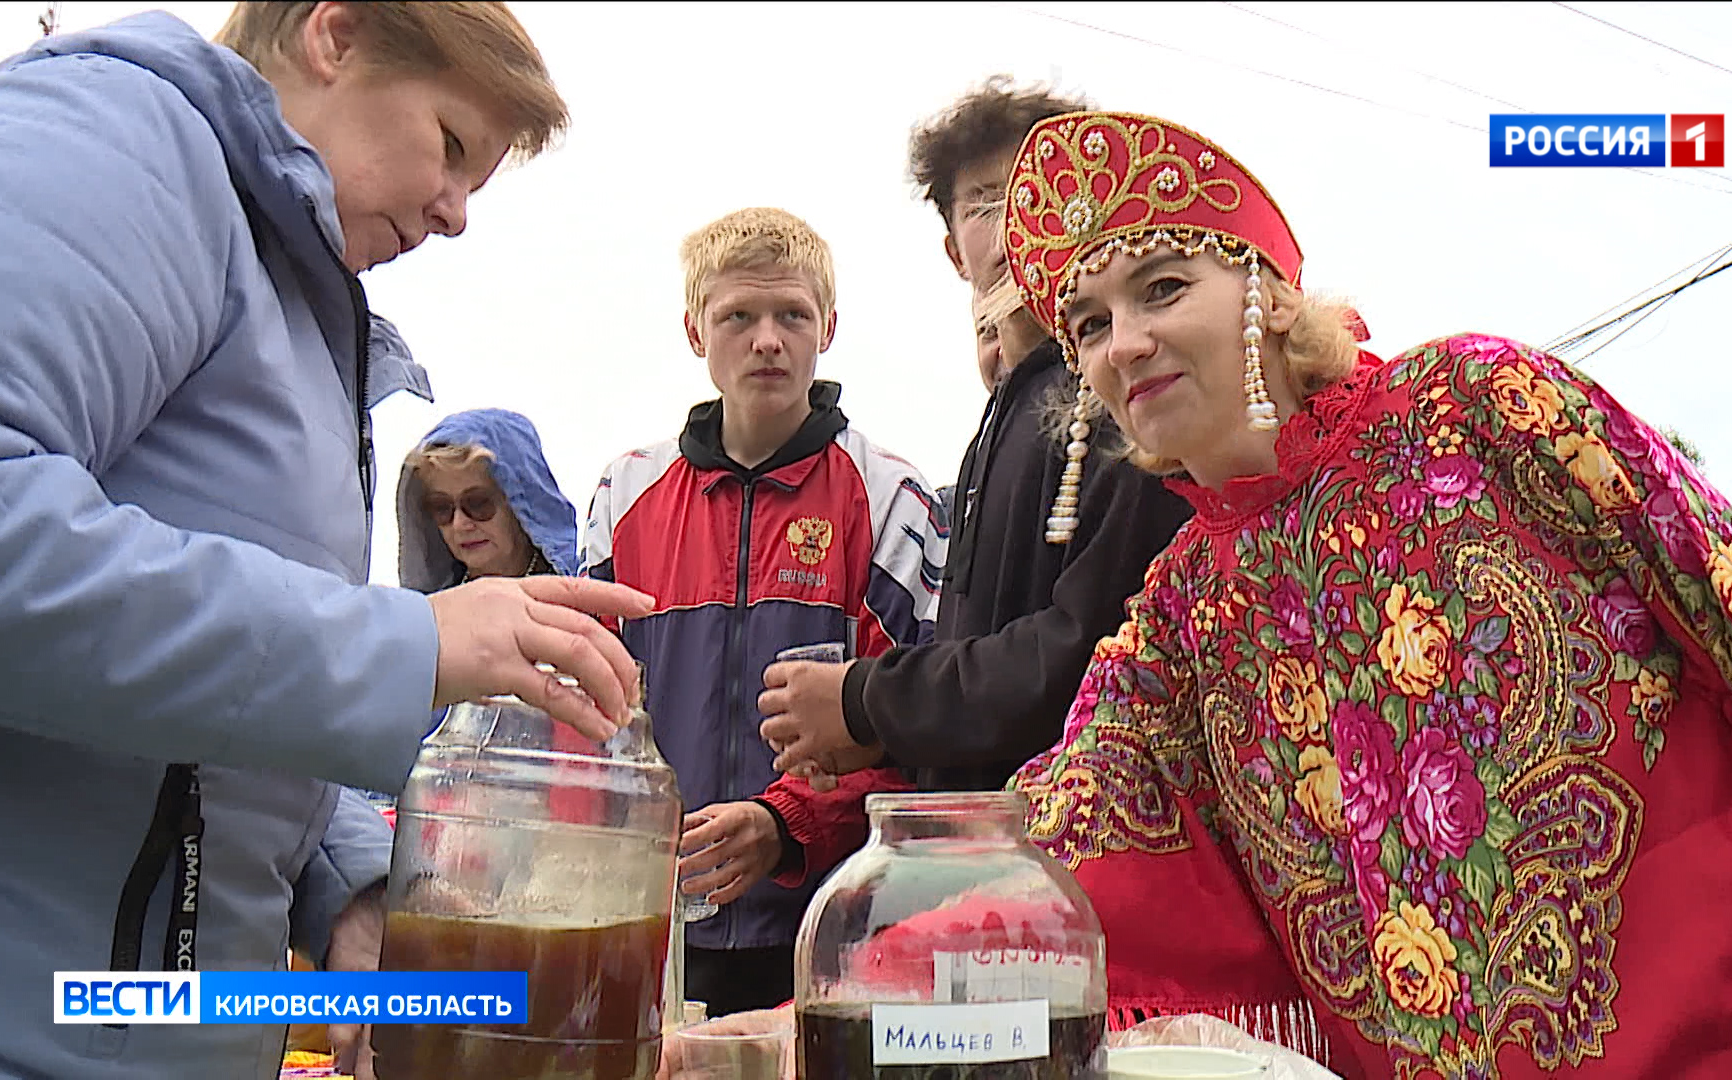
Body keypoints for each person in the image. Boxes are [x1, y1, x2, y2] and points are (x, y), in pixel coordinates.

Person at [999, 110, 1732, 1075]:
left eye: (1164, 289)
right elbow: (1059, 835)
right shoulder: (1185, 610)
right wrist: (861, 965)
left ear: (1264, 294)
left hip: (1713, 1006)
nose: (1127, 344)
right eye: (1091, 326)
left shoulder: (1476, 401)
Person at [0, 6, 652, 1079]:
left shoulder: (292, 303)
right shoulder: (116, 141)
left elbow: (199, 714)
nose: (453, 217)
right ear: (334, 36)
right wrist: (408, 648)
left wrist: (339, 882)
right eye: (450, 146)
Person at [758, 79, 1190, 818]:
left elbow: (1088, 656)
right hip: (992, 861)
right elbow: (991, 654)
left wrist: (868, 701)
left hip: (1092, 862)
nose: (1020, 216)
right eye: (988, 202)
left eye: (1040, 186)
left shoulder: (1121, 389)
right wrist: (880, 733)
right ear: (956, 250)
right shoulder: (1005, 414)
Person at [580, 207, 944, 1017]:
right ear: (693, 331)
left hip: (837, 923)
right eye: (737, 317)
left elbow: (921, 725)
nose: (767, 340)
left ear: (830, 327)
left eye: (792, 316)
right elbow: (588, 716)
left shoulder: (891, 497)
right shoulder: (623, 494)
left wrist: (787, 826)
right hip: (653, 922)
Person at [398, 407, 582, 587]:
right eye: (442, 508)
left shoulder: (589, 602)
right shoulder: (430, 615)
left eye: (477, 503)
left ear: (520, 506)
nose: (459, 524)